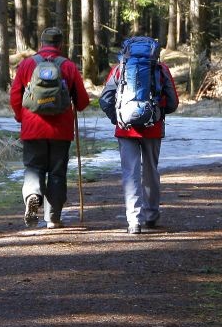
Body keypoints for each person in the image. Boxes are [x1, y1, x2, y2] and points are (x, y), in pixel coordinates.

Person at [9, 27, 90, 229]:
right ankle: (52, 218)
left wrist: (21, 117)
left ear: (41, 44)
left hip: (32, 127)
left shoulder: (27, 64)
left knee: (33, 167)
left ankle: (32, 195)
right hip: (60, 131)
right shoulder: (68, 66)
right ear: (61, 45)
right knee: (57, 172)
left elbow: (15, 95)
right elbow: (82, 102)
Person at [99, 38, 179, 234]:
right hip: (153, 129)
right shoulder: (161, 69)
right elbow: (173, 102)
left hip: (125, 129)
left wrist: (116, 118)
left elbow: (105, 99)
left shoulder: (120, 69)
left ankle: (134, 221)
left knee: (130, 173)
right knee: (151, 171)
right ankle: (151, 216)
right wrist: (157, 114)